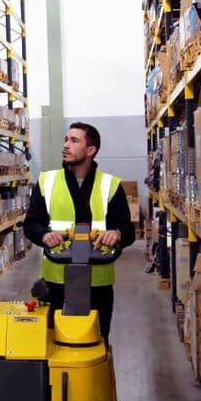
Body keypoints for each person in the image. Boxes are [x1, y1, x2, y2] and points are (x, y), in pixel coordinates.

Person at [23, 122, 135, 337]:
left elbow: (127, 230)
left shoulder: (110, 185)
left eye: (74, 141)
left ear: (91, 150)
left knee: (96, 339)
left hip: (98, 283)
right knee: (54, 341)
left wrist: (117, 234)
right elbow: (31, 224)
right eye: (66, 140)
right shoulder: (47, 182)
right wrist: (44, 235)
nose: (66, 145)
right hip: (56, 281)